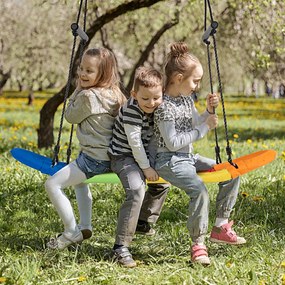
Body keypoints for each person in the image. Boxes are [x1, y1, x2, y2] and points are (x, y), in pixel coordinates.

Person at [153, 42, 246, 266]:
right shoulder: (164, 107)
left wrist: (208, 111)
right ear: (177, 78)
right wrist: (205, 128)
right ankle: (198, 245)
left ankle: (220, 226)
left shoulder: (185, 99)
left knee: (231, 172)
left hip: (187, 158)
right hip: (168, 160)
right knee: (200, 190)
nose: (197, 86)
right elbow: (173, 143)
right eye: (195, 81)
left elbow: (195, 121)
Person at [45, 47, 126, 249]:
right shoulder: (116, 94)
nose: (82, 74)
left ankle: (71, 231)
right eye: (81, 68)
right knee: (80, 183)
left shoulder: (87, 96)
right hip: (114, 157)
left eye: (89, 71)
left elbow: (70, 116)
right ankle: (85, 226)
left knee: (52, 185)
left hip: (93, 159)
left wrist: (77, 90)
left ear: (103, 73)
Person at [108, 66, 170, 268]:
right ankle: (120, 247)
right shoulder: (133, 110)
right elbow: (134, 143)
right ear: (134, 95)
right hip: (123, 156)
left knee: (163, 183)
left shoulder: (156, 106)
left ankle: (143, 221)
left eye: (156, 98)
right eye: (145, 99)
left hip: (141, 155)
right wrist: (146, 169)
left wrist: (154, 165)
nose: (151, 103)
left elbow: (153, 139)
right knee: (136, 190)